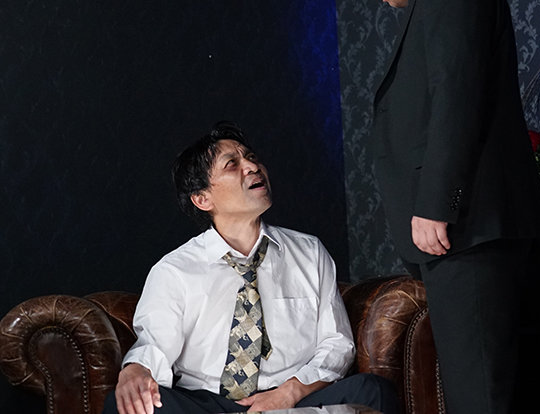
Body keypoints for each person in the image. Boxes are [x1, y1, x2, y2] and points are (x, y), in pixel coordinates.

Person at [326, 0, 540, 414]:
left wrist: (435, 205)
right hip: (466, 231)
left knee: (480, 396)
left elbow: (457, 97)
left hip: (468, 229)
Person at [103, 122, 399, 414]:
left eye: (252, 157)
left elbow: (337, 344)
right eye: (232, 164)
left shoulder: (309, 252)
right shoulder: (174, 270)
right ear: (202, 199)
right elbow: (155, 343)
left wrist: (289, 393)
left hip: (292, 399)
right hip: (209, 404)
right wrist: (137, 369)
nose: (253, 167)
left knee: (372, 391)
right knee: (125, 406)